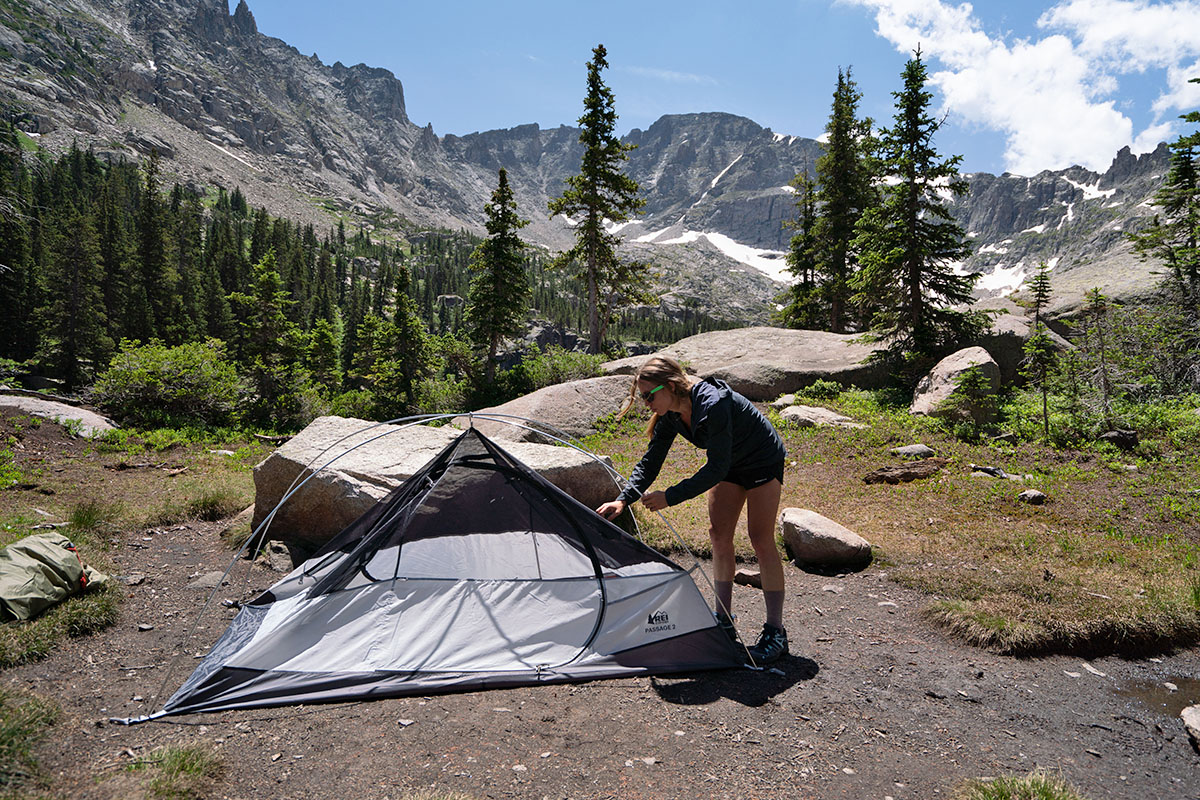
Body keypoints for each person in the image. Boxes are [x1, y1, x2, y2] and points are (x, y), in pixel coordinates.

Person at [596, 356, 789, 665]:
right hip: (729, 464)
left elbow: (715, 468)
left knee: (760, 539)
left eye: (648, 395)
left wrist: (669, 497)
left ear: (671, 386)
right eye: (641, 396)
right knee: (719, 534)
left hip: (760, 459)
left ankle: (776, 633)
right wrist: (624, 499)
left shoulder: (713, 404)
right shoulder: (671, 413)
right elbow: (651, 460)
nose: (646, 403)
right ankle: (723, 620)